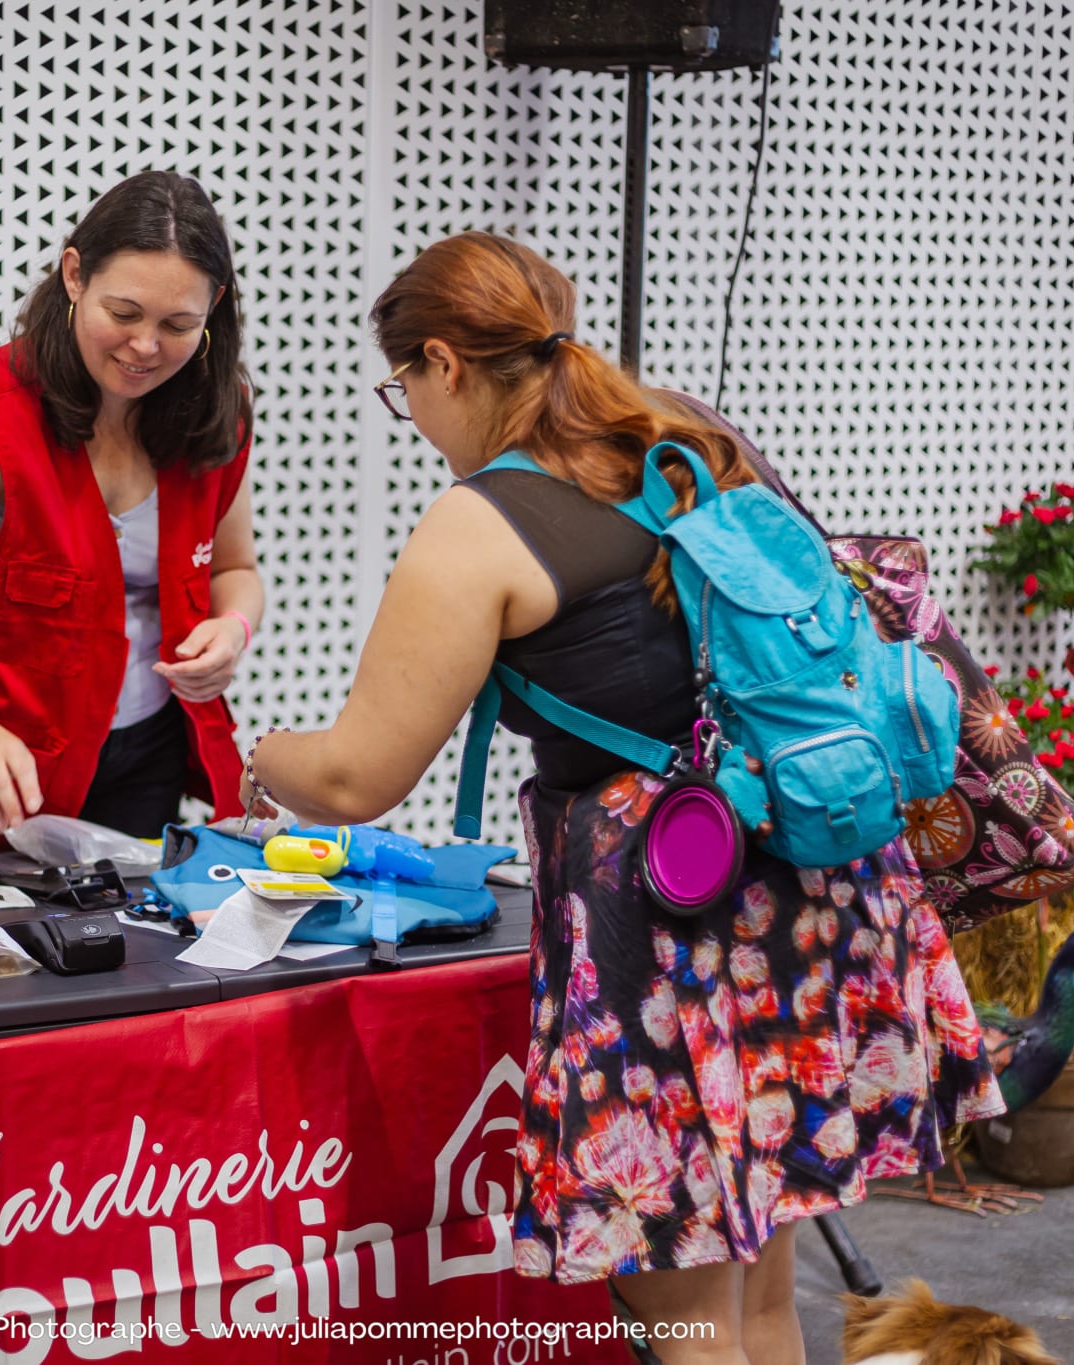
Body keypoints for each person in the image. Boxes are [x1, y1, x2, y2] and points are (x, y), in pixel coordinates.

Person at [239, 233, 1001, 1365]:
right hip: (817, 888)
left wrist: (259, 753)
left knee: (680, 1312)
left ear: (441, 365)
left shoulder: (479, 523)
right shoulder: (685, 442)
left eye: (403, 389)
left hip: (675, 932)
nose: (415, 415)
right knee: (754, 1290)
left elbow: (357, 776)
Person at [0, 172, 262, 839]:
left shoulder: (217, 413)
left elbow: (236, 571)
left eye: (178, 325)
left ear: (213, 309)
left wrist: (234, 631)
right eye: (125, 314)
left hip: (145, 755)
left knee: (137, 940)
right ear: (75, 276)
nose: (145, 347)